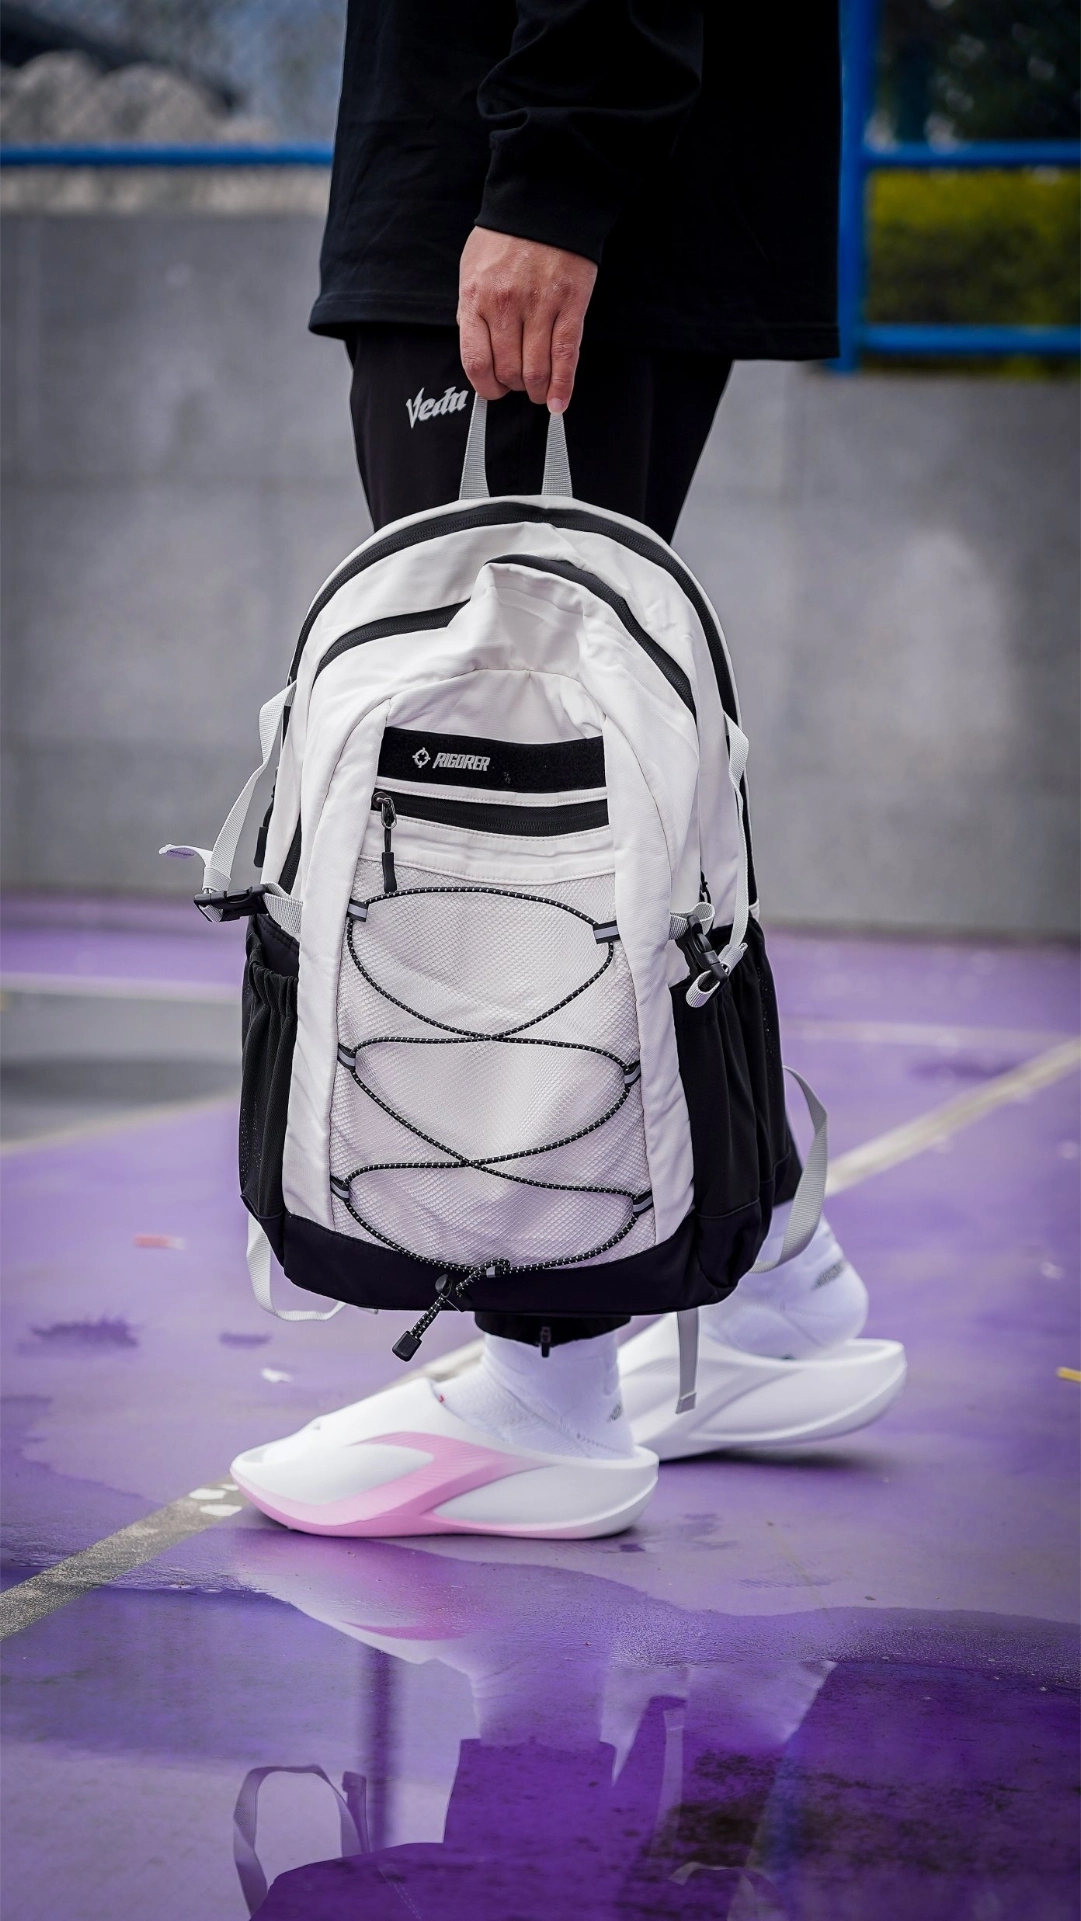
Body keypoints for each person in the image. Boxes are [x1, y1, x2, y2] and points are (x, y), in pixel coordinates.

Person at [231, 0, 906, 1541]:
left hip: (531, 176)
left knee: (502, 801)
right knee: (595, 778)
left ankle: (549, 1388)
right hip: (556, 166)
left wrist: (550, 177)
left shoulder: (547, 176)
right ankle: (772, 1283)